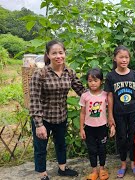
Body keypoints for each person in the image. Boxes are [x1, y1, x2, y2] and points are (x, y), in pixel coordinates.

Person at [29, 40, 86, 180]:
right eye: (54, 53)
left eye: (61, 52)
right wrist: (39, 124)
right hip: (43, 117)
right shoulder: (40, 74)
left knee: (61, 143)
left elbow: (81, 91)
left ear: (65, 54)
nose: (58, 56)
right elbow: (34, 100)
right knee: (40, 147)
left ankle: (62, 168)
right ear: (48, 55)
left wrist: (99, 98)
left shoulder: (69, 72)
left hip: (61, 116)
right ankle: (42, 174)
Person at [104, 45, 135, 178]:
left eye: (126, 57)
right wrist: (110, 116)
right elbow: (109, 97)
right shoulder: (111, 76)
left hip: (133, 112)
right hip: (118, 113)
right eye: (121, 57)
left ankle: (133, 163)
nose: (124, 60)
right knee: (121, 138)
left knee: (133, 138)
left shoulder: (134, 75)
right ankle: (123, 164)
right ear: (115, 58)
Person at [79, 68, 115, 180]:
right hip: (89, 128)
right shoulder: (85, 96)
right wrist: (81, 129)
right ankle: (94, 170)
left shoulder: (105, 95)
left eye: (95, 80)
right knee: (92, 149)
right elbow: (82, 113)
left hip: (102, 127)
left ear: (101, 81)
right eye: (90, 81)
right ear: (87, 82)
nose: (93, 83)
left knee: (102, 148)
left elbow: (110, 111)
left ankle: (102, 169)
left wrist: (112, 125)